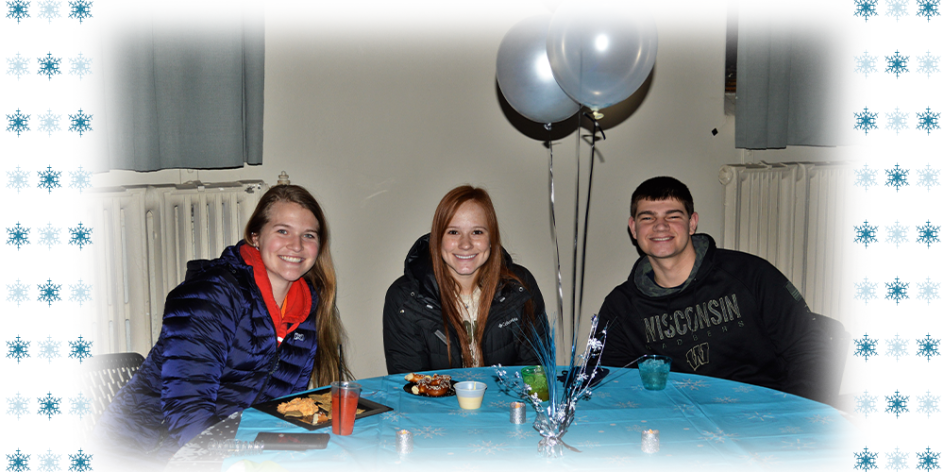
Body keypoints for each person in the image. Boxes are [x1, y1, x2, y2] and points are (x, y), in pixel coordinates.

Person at [95, 184, 349, 465]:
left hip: (232, 447)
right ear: (256, 236)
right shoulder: (212, 295)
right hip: (152, 450)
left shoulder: (306, 308)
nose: (297, 245)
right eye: (282, 231)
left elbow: (284, 408)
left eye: (308, 235)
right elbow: (187, 412)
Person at [597, 176, 837, 403]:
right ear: (634, 228)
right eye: (647, 218)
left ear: (692, 223)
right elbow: (613, 382)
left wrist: (792, 413)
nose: (660, 226)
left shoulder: (751, 275)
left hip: (761, 414)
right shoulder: (621, 307)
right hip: (677, 425)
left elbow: (809, 348)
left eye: (673, 216)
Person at [383, 185, 548, 374]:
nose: (466, 244)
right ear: (437, 239)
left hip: (507, 404)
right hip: (434, 404)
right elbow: (410, 386)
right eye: (453, 232)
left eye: (477, 232)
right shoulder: (405, 299)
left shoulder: (519, 287)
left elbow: (534, 374)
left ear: (491, 238)